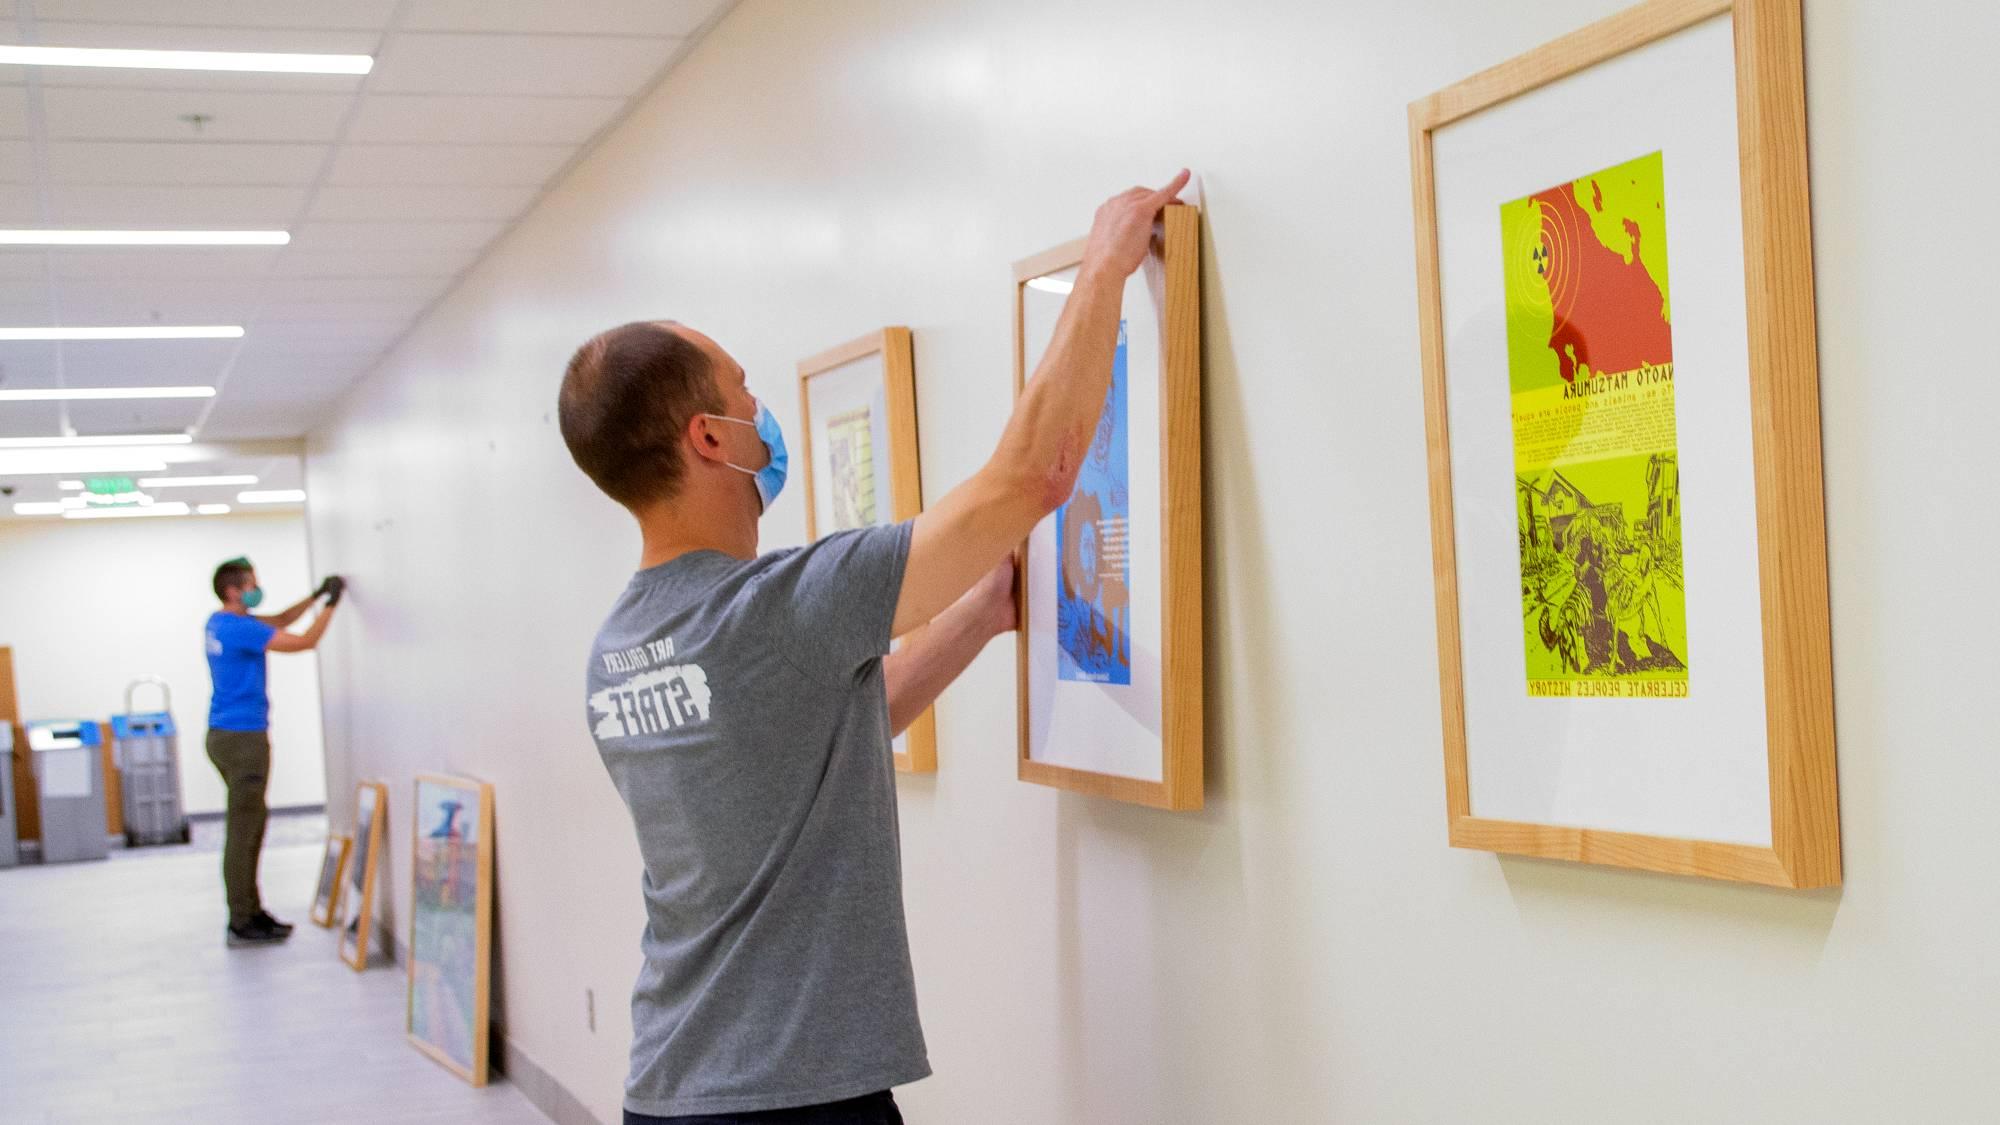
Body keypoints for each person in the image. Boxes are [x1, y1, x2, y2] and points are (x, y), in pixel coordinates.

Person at [558, 171, 1188, 1125]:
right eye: (743, 391)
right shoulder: (775, 606)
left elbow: (807, 738)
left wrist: (976, 617)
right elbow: (1027, 481)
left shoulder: (620, 648)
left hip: (670, 1090)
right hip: (794, 1100)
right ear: (710, 439)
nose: (757, 407)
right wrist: (1103, 264)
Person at [204, 557, 343, 948]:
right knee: (245, 830)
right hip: (243, 737)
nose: (256, 586)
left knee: (249, 825)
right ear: (234, 590)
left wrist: (315, 597)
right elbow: (304, 642)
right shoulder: (238, 629)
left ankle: (250, 910)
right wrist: (332, 606)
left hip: (224, 734)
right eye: (251, 582)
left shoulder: (219, 623)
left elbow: (279, 620)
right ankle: (243, 919)